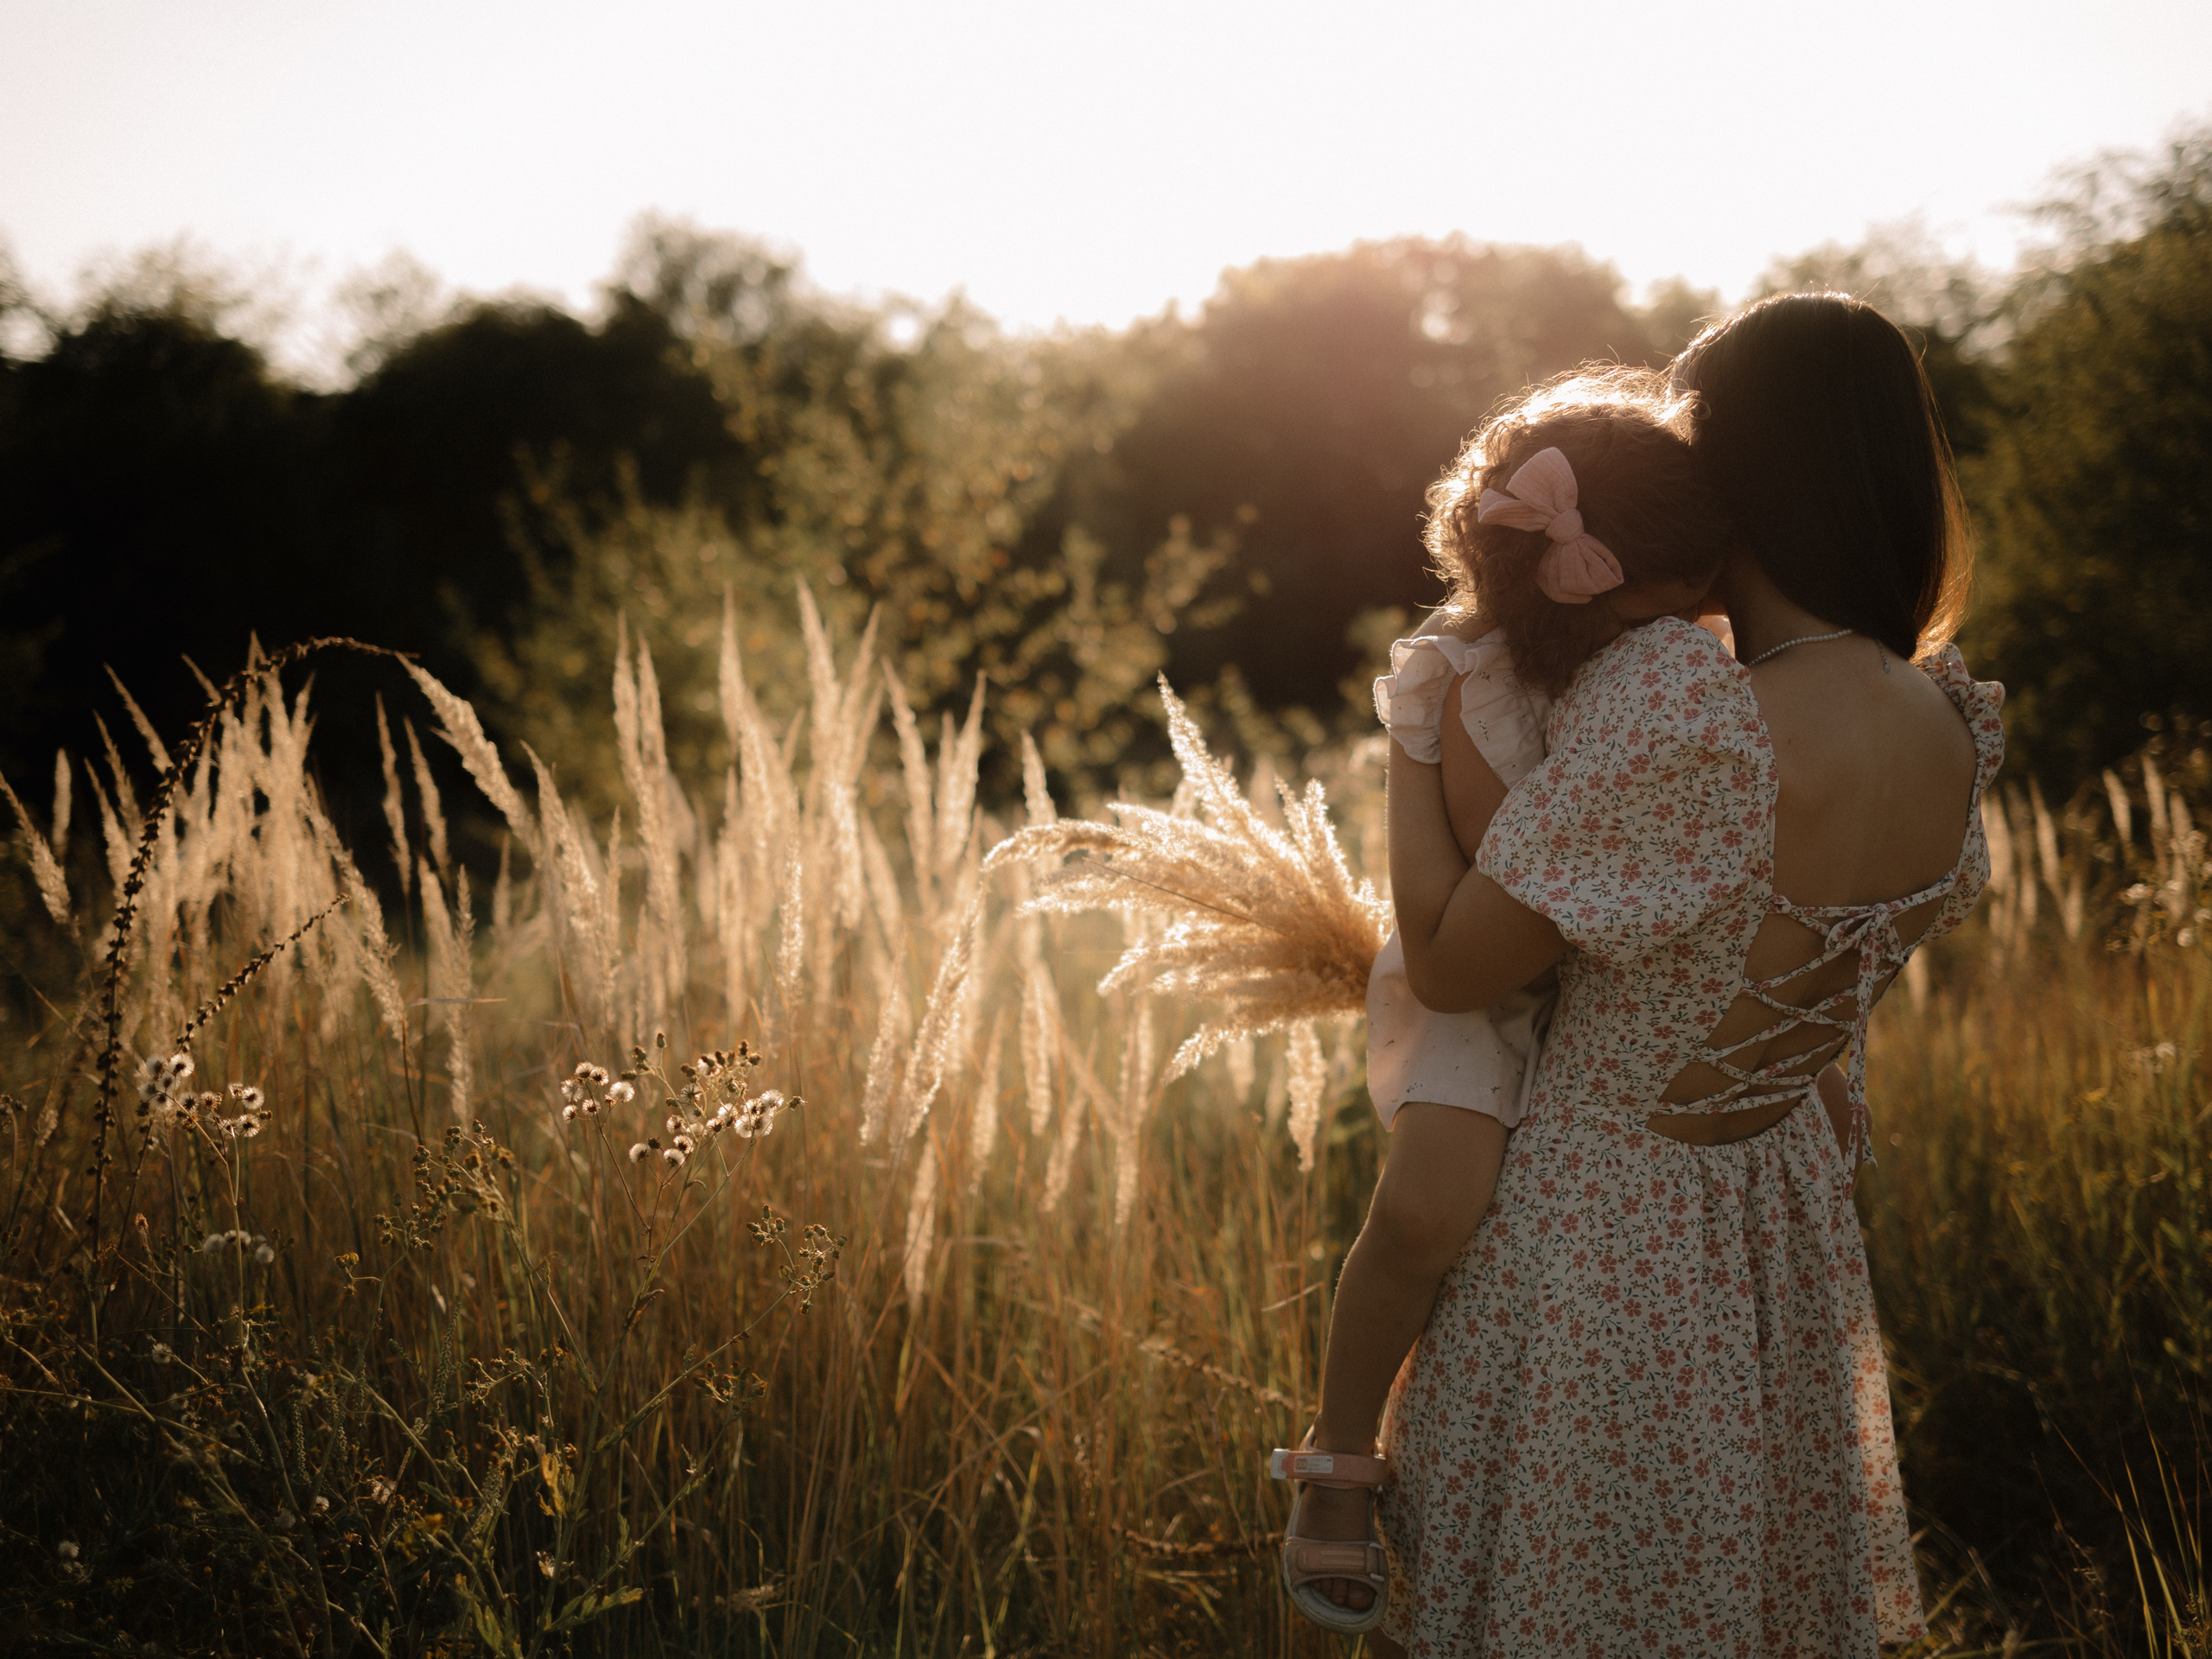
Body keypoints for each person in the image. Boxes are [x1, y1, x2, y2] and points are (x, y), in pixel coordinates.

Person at [1282, 293, 2003, 1656]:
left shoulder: (1691, 709)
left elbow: (1447, 964)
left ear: (1740, 471)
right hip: (1778, 1230)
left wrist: (1415, 736)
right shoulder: (1946, 717)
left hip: (1603, 1238)